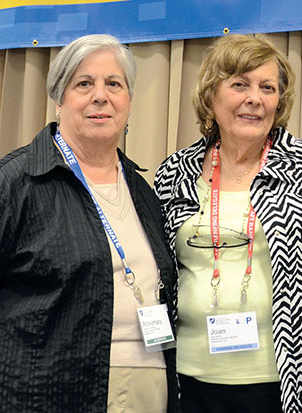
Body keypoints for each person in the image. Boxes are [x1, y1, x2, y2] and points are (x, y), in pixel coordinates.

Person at [154, 34, 302, 413]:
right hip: (192, 378)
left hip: (296, 382)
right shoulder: (174, 172)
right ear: (212, 96)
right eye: (240, 85)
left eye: (267, 88)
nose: (254, 99)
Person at [0, 34, 179, 411]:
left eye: (114, 84)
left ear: (128, 102)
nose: (101, 96)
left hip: (149, 382)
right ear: (58, 99)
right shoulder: (17, 182)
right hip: (47, 391)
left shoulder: (142, 191)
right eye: (84, 84)